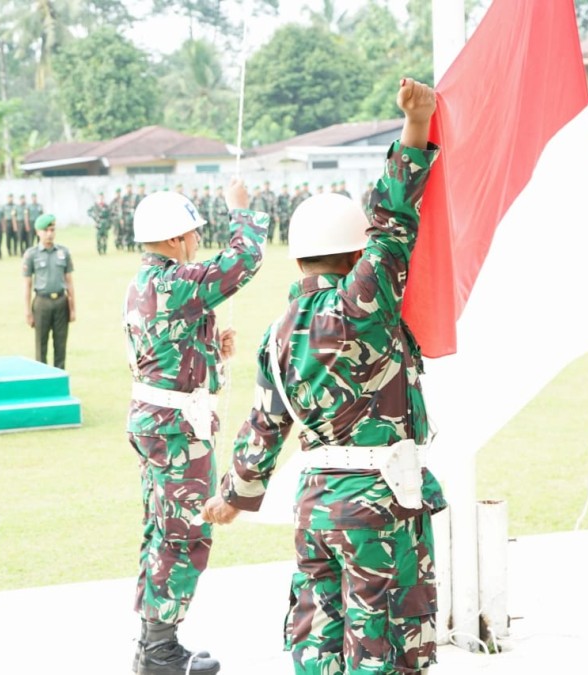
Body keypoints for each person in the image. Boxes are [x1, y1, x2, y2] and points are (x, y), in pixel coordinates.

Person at [202, 78, 444, 675]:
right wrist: (415, 127)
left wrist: (234, 495)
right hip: (377, 506)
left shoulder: (278, 333)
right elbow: (392, 222)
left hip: (313, 508)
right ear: (352, 255)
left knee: (317, 639)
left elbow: (265, 422)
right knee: (381, 643)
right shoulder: (365, 298)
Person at [125, 180, 267, 675]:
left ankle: (154, 645)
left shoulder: (146, 281)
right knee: (183, 536)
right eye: (191, 234)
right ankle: (160, 652)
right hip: (175, 433)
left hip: (159, 423)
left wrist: (208, 348)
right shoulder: (176, 281)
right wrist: (240, 212)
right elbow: (242, 262)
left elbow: (161, 351)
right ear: (172, 239)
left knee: (161, 531)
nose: (196, 242)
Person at [22, 214, 75, 369]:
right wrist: (27, 312)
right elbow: (27, 285)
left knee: (60, 344)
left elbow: (69, 282)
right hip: (41, 302)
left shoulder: (63, 252)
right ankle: (42, 379)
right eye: (46, 230)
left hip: (60, 301)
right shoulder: (31, 254)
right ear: (38, 232)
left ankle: (59, 378)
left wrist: (72, 308)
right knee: (41, 345)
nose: (49, 234)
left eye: (52, 230)